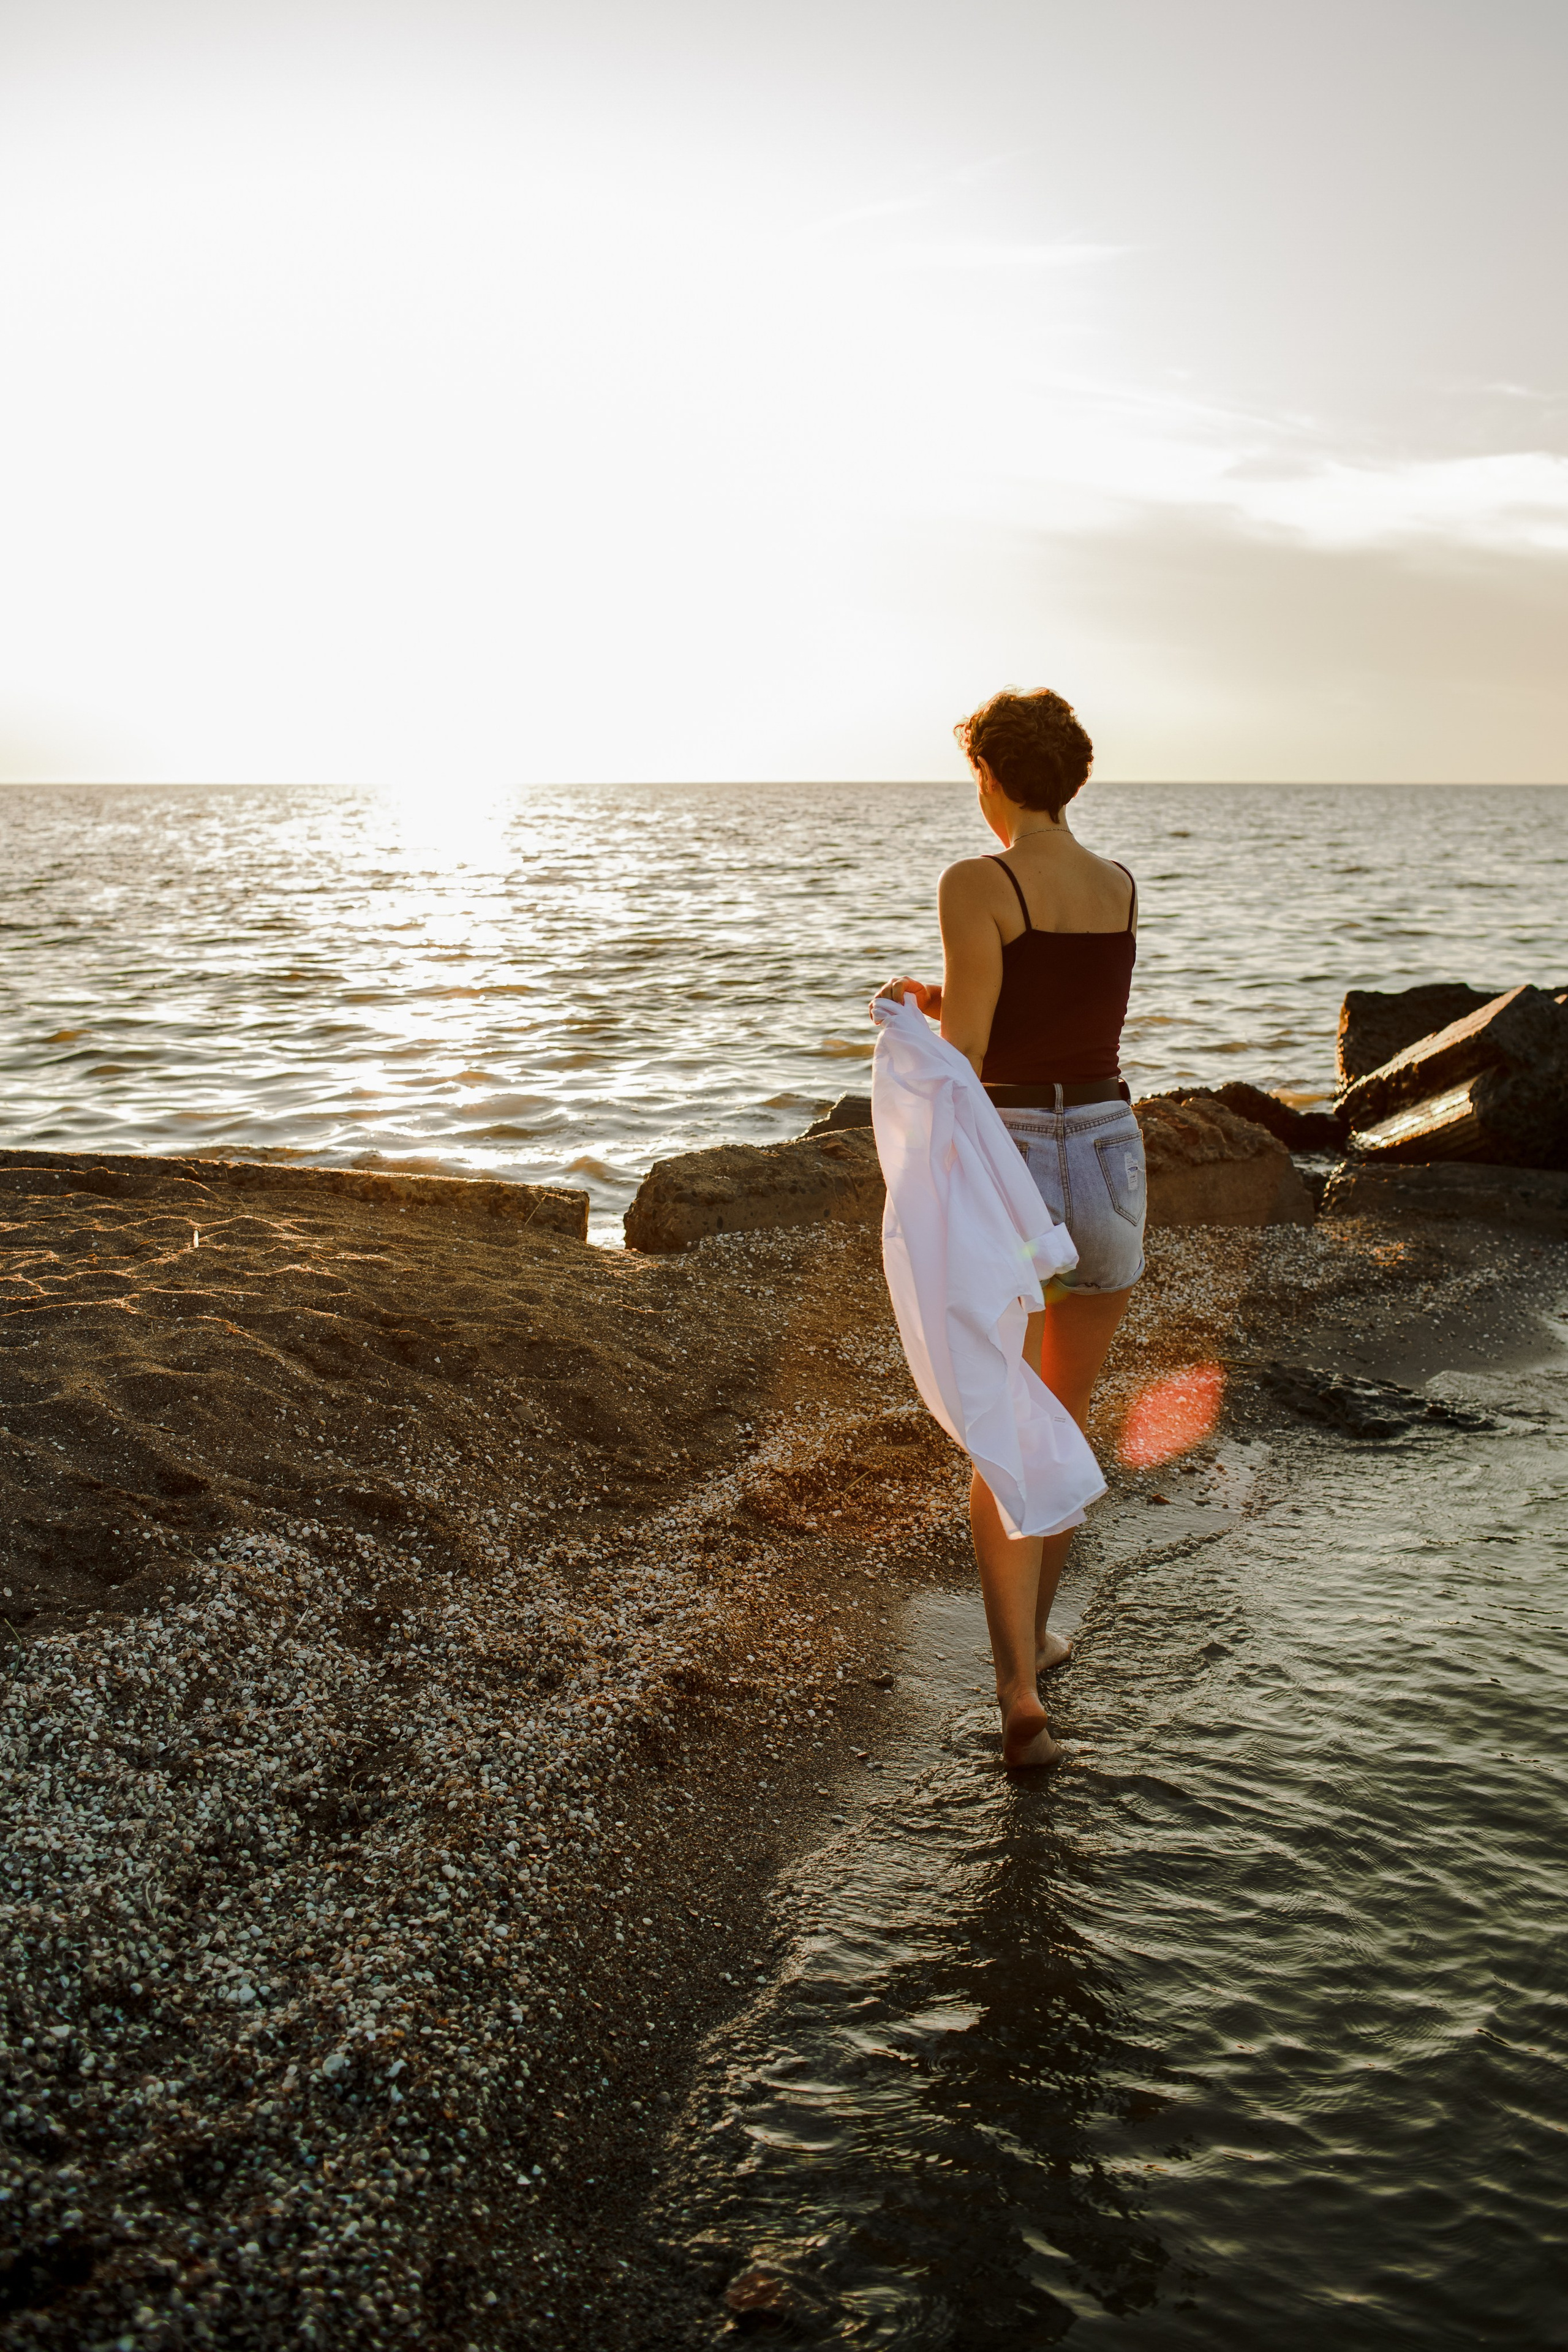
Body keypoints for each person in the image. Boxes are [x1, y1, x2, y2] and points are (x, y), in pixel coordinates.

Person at [876, 687, 1145, 1768]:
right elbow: (1059, 1008)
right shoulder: (1117, 884)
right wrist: (940, 998)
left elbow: (983, 1054)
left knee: (1002, 1420)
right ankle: (1039, 1633)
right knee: (1063, 1420)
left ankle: (1019, 1695)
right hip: (1114, 1148)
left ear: (988, 773)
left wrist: (914, 1023)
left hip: (1021, 1159)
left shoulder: (975, 882)